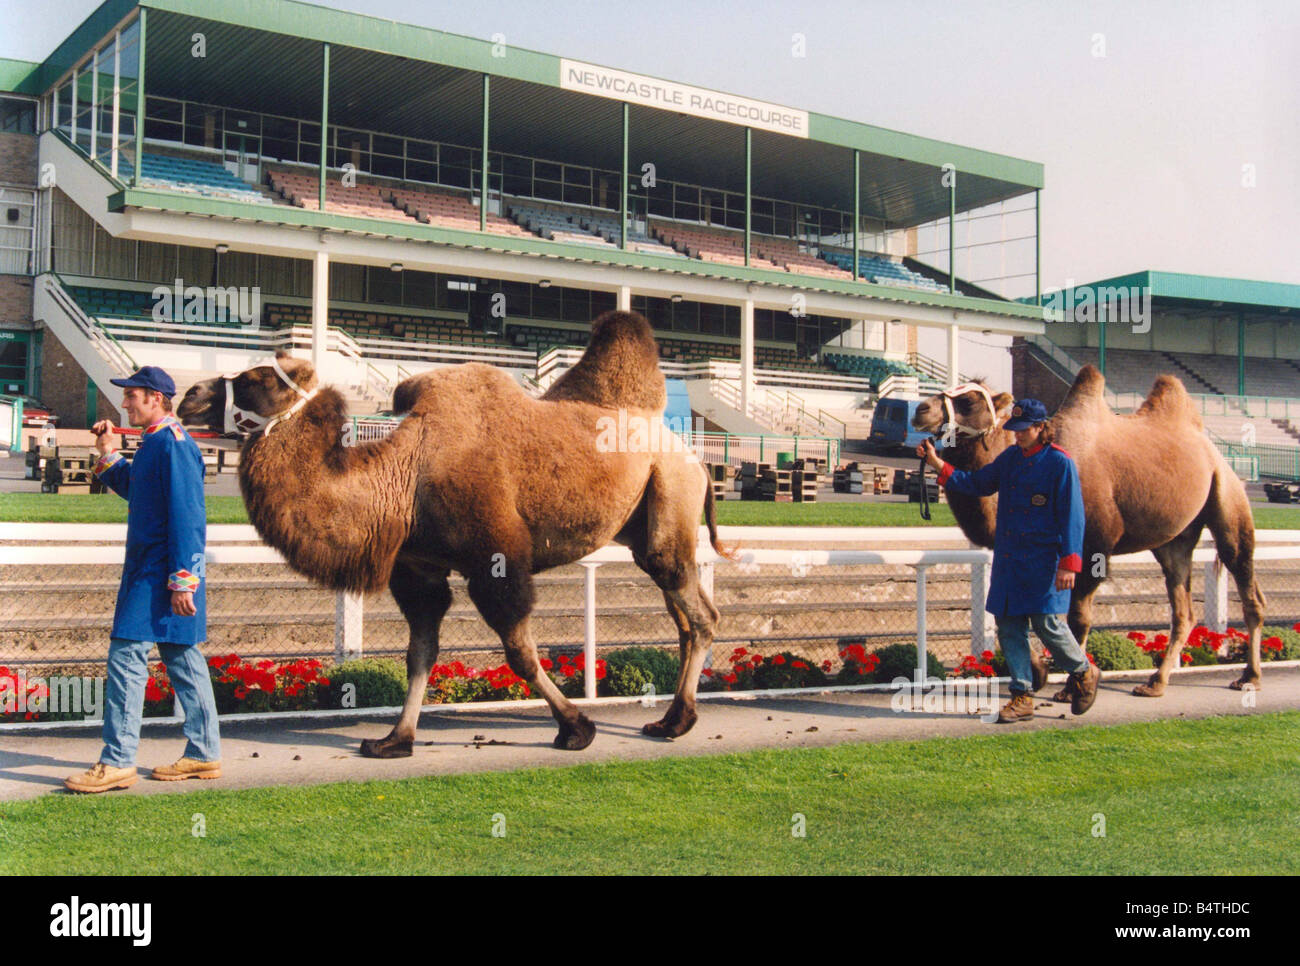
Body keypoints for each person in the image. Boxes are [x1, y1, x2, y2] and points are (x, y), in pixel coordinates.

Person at [64, 366, 222, 793]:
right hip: (157, 572)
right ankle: (204, 753)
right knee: (182, 659)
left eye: (132, 395)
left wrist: (184, 582)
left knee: (125, 658)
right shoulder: (156, 442)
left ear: (155, 398)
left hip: (160, 574)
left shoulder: (173, 444)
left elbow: (189, 518)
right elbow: (140, 491)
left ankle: (117, 762)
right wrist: (108, 453)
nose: (125, 403)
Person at [917, 397, 1099, 723]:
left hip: (1045, 560)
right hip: (1010, 559)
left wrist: (1071, 562)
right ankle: (1022, 696)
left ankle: (1083, 671)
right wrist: (937, 465)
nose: (1017, 435)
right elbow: (977, 483)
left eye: (1023, 430)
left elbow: (1073, 516)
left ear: (1041, 428)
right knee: (1008, 626)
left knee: (1048, 625)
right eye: (1013, 430)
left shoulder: (1061, 464)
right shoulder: (1010, 459)